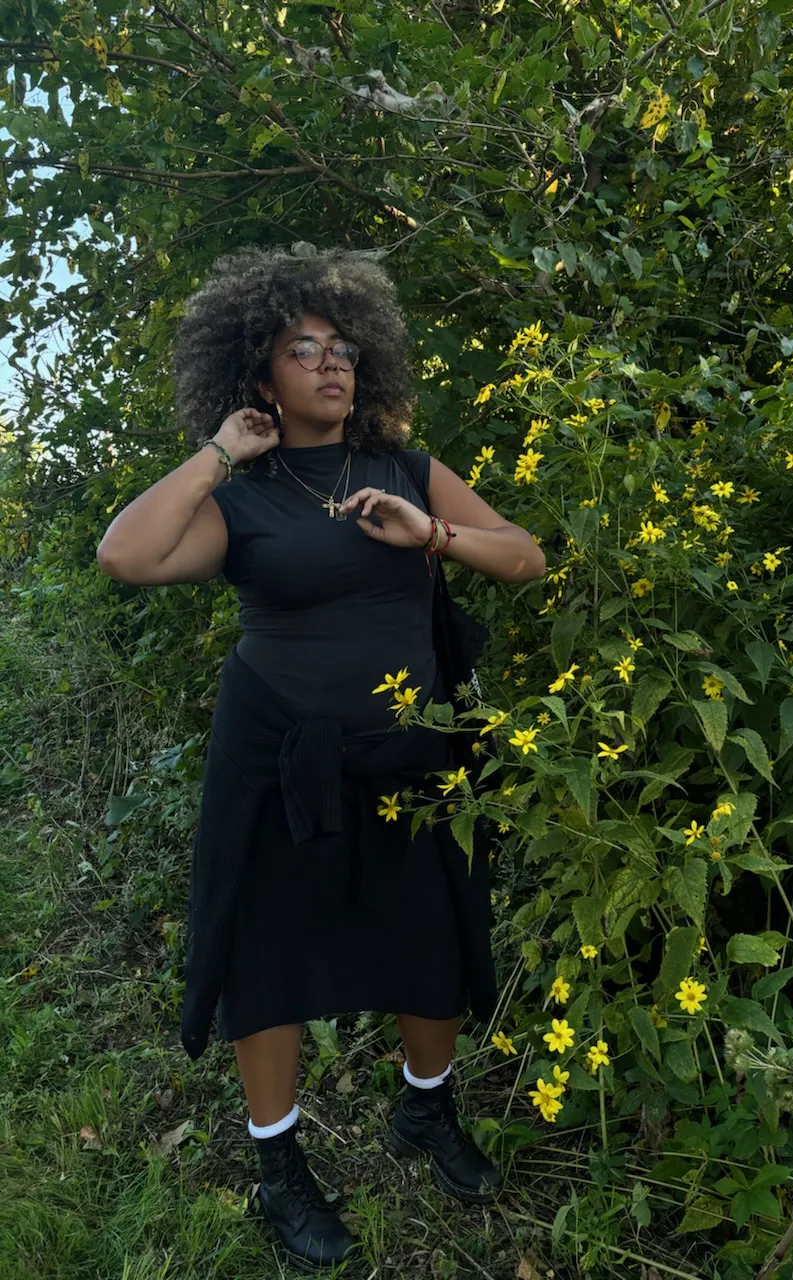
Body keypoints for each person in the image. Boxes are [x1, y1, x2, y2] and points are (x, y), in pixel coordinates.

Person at [95, 246, 546, 1271]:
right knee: (273, 956)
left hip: (413, 753)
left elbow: (524, 555)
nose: (332, 365)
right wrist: (220, 450)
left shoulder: (402, 467)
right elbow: (127, 556)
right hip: (280, 758)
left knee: (432, 934)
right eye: (305, 350)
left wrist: (431, 532)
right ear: (262, 375)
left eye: (344, 348)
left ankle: (425, 1113)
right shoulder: (239, 497)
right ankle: (279, 1166)